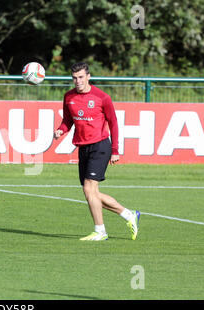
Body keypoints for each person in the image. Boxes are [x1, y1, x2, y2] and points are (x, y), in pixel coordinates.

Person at [54, 62, 140, 241]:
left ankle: (100, 231)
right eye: (74, 78)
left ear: (88, 77)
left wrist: (115, 149)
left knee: (89, 189)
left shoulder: (102, 97)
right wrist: (61, 130)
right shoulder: (68, 96)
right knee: (91, 193)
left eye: (81, 77)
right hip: (83, 147)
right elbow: (68, 120)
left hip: (100, 146)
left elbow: (113, 123)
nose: (77, 81)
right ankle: (128, 215)